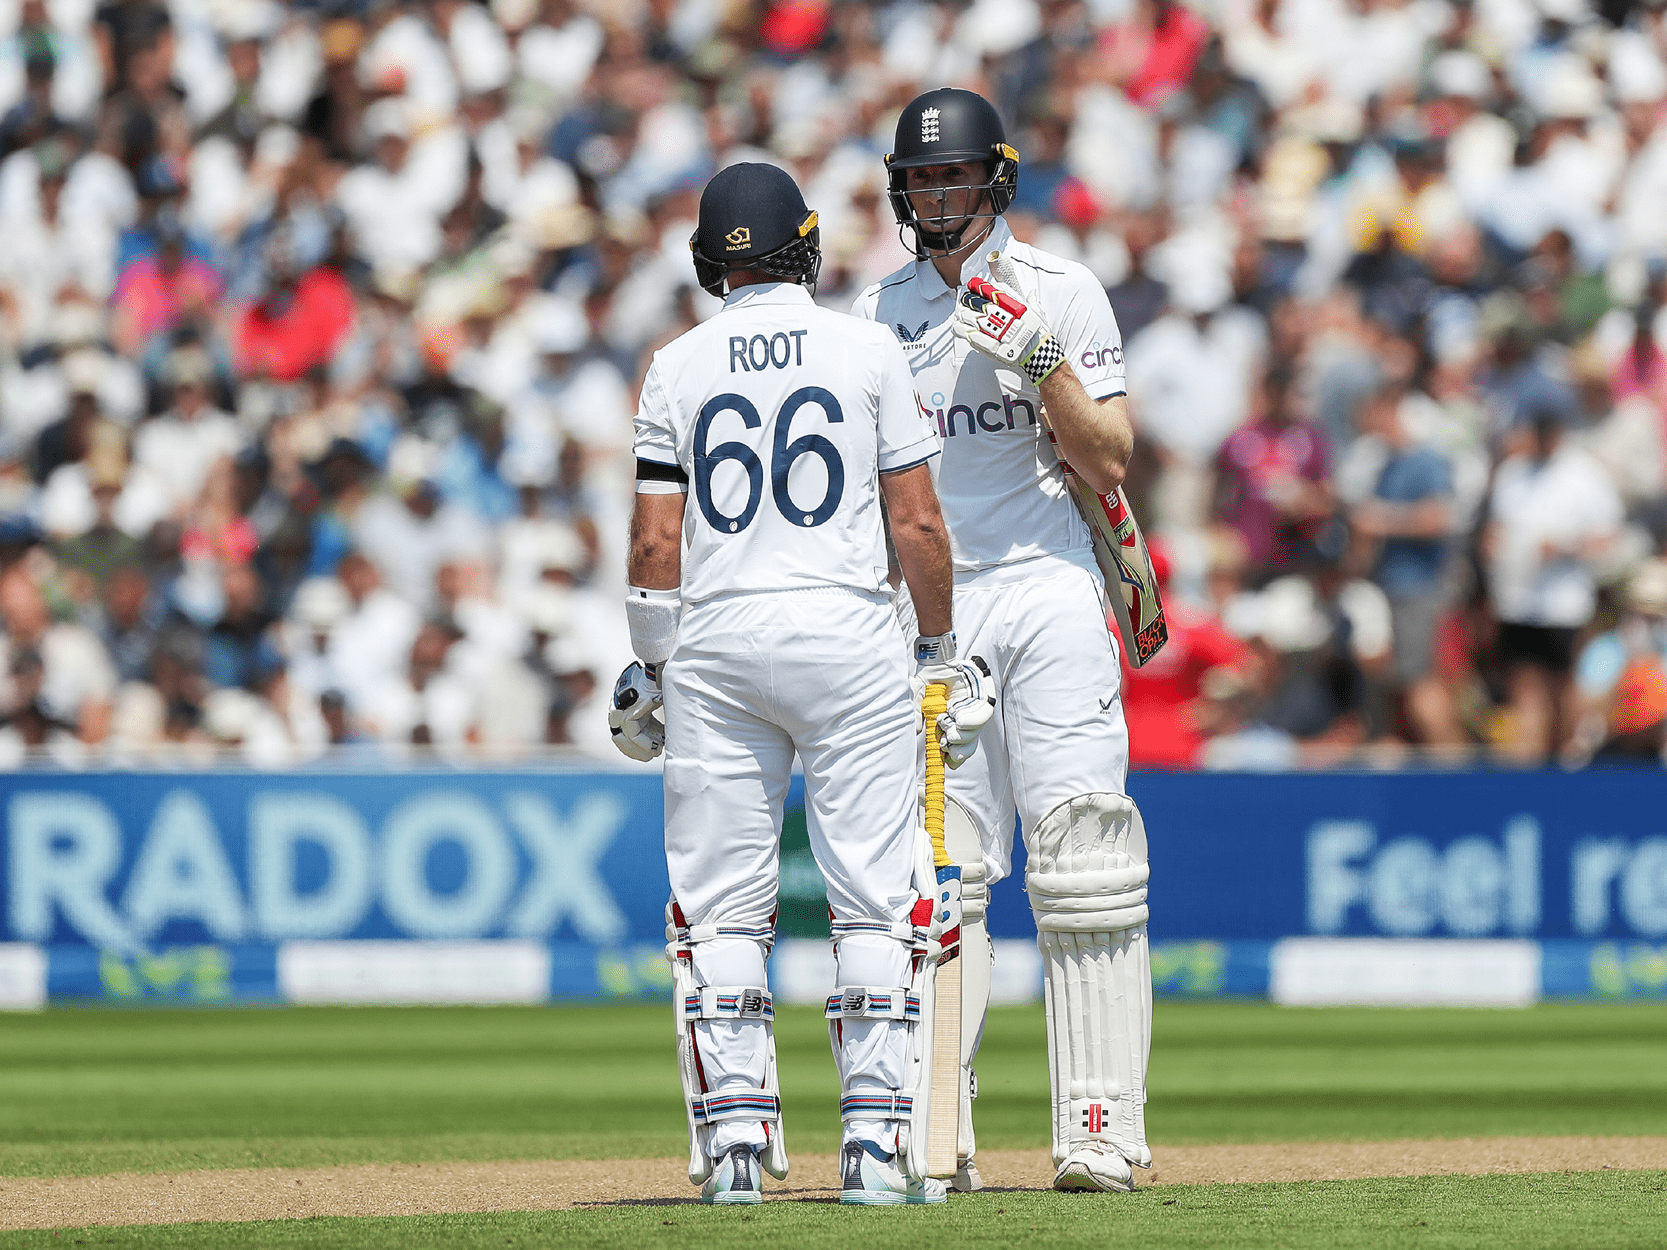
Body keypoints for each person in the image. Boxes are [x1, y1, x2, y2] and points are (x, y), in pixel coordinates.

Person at [608, 163, 992, 1207]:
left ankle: (732, 1143)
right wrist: (941, 649)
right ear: (808, 247)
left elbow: (654, 540)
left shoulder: (673, 364)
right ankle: (872, 1145)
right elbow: (915, 523)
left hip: (719, 646)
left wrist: (650, 665)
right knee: (875, 893)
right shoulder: (867, 347)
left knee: (721, 909)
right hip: (847, 633)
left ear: (706, 260)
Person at [853, 87, 1152, 1194]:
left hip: (1048, 587)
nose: (935, 195)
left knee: (1084, 854)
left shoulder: (1060, 290)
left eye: (952, 176)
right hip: (935, 603)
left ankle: (1098, 1126)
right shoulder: (873, 313)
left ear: (995, 181)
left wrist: (1038, 362)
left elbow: (1109, 455)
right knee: (947, 873)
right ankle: (945, 1130)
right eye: (919, 178)